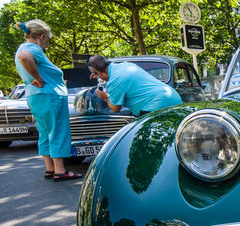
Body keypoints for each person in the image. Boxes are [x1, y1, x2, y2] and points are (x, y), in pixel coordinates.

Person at [14, 20, 81, 181]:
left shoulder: (21, 48)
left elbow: (24, 59)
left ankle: (50, 168)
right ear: (42, 37)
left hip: (35, 96)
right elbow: (25, 58)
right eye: (48, 41)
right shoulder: (33, 48)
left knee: (44, 132)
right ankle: (60, 170)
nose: (47, 45)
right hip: (49, 96)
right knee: (58, 130)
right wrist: (39, 78)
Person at [86, 55, 182, 116]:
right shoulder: (125, 65)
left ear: (99, 72)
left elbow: (116, 108)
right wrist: (98, 74)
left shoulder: (114, 81)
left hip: (155, 107)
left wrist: (105, 97)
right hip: (173, 98)